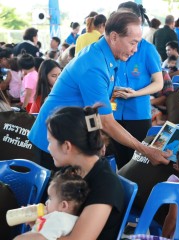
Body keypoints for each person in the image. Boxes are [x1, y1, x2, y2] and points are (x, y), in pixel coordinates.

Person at [28, 11, 170, 171]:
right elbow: (105, 121)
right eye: (132, 43)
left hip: (69, 136)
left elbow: (91, 109)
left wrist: (96, 138)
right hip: (53, 141)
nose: (135, 49)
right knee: (62, 193)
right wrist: (146, 151)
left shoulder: (104, 56)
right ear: (114, 37)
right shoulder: (95, 65)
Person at [44, 105, 124, 240]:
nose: (48, 148)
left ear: (66, 146)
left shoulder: (106, 185)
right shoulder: (70, 172)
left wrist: (39, 234)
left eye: (50, 142)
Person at [112, 1, 164, 168]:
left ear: (138, 21)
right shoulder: (113, 46)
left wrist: (135, 93)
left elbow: (159, 83)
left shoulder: (147, 49)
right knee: (119, 164)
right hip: (113, 114)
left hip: (139, 115)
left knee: (137, 165)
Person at [14, 167, 89, 240]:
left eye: (50, 198)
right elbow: (46, 233)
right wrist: (34, 224)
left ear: (63, 205)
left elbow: (41, 237)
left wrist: (19, 238)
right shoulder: (68, 219)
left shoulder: (59, 218)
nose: (46, 202)